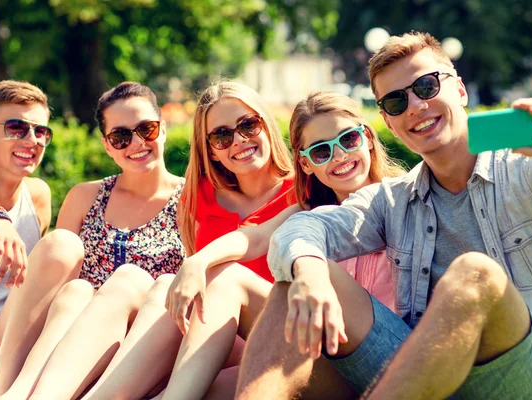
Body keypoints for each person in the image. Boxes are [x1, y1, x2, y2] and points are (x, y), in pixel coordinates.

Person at [235, 32, 532, 400]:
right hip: (422, 377)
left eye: (427, 85)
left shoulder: (528, 169)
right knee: (294, 282)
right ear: (387, 121)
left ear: (460, 90)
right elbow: (303, 227)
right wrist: (309, 273)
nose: (416, 106)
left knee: (476, 272)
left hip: (519, 380)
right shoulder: (391, 201)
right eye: (397, 101)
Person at [161, 91, 406, 399]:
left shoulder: (404, 198)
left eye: (348, 140)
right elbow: (257, 238)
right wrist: (196, 261)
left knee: (270, 284)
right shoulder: (311, 212)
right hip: (329, 358)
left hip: (390, 360)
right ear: (304, 164)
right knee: (206, 387)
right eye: (321, 152)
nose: (340, 155)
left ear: (367, 137)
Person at [0, 82, 185, 400]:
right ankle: (9, 390)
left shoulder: (191, 202)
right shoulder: (85, 196)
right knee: (74, 279)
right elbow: (60, 288)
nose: (135, 142)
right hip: (57, 341)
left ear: (162, 129)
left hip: (135, 354)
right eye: (121, 136)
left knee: (129, 281)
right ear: (108, 146)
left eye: (145, 129)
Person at [0, 80, 76, 400]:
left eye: (41, 132)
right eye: (15, 127)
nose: (32, 140)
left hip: (6, 338)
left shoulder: (38, 196)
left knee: (65, 245)